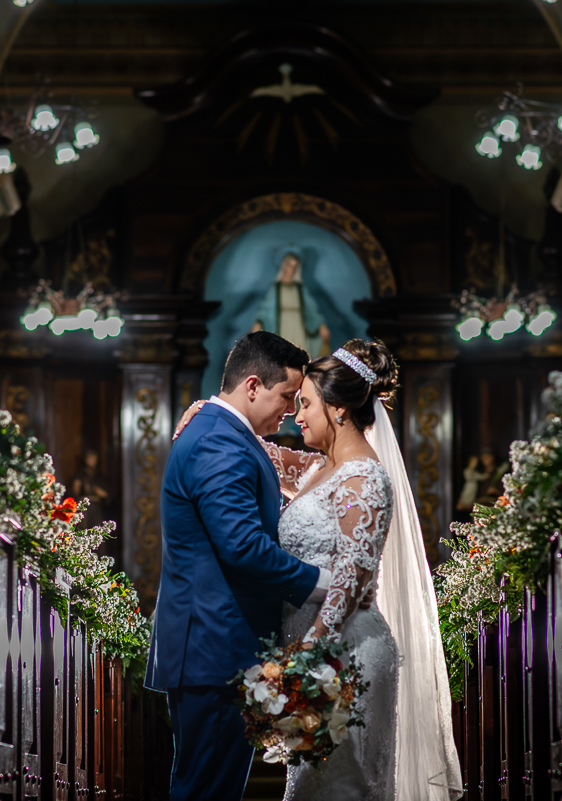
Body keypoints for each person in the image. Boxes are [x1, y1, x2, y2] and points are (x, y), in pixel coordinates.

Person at [175, 339, 463, 801]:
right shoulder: (318, 470)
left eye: (304, 403)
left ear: (339, 409)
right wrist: (207, 411)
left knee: (344, 785)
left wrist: (304, 658)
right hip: (312, 654)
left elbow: (351, 581)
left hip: (342, 653)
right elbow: (257, 450)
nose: (296, 415)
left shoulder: (365, 479)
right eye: (294, 401)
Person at [146, 331, 333, 801]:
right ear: (253, 386)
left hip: (218, 648)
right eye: (287, 397)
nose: (290, 412)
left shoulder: (223, 433)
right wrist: (322, 584)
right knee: (206, 791)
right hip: (214, 649)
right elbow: (243, 546)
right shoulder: (218, 442)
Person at [251, 251, 331, 357]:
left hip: (298, 325)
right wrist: (259, 322)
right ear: (284, 265)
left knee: (300, 351)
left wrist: (321, 325)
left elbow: (311, 308)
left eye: (295, 266)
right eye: (290, 265)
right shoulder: (276, 289)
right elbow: (266, 308)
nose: (292, 269)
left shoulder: (300, 288)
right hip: (282, 325)